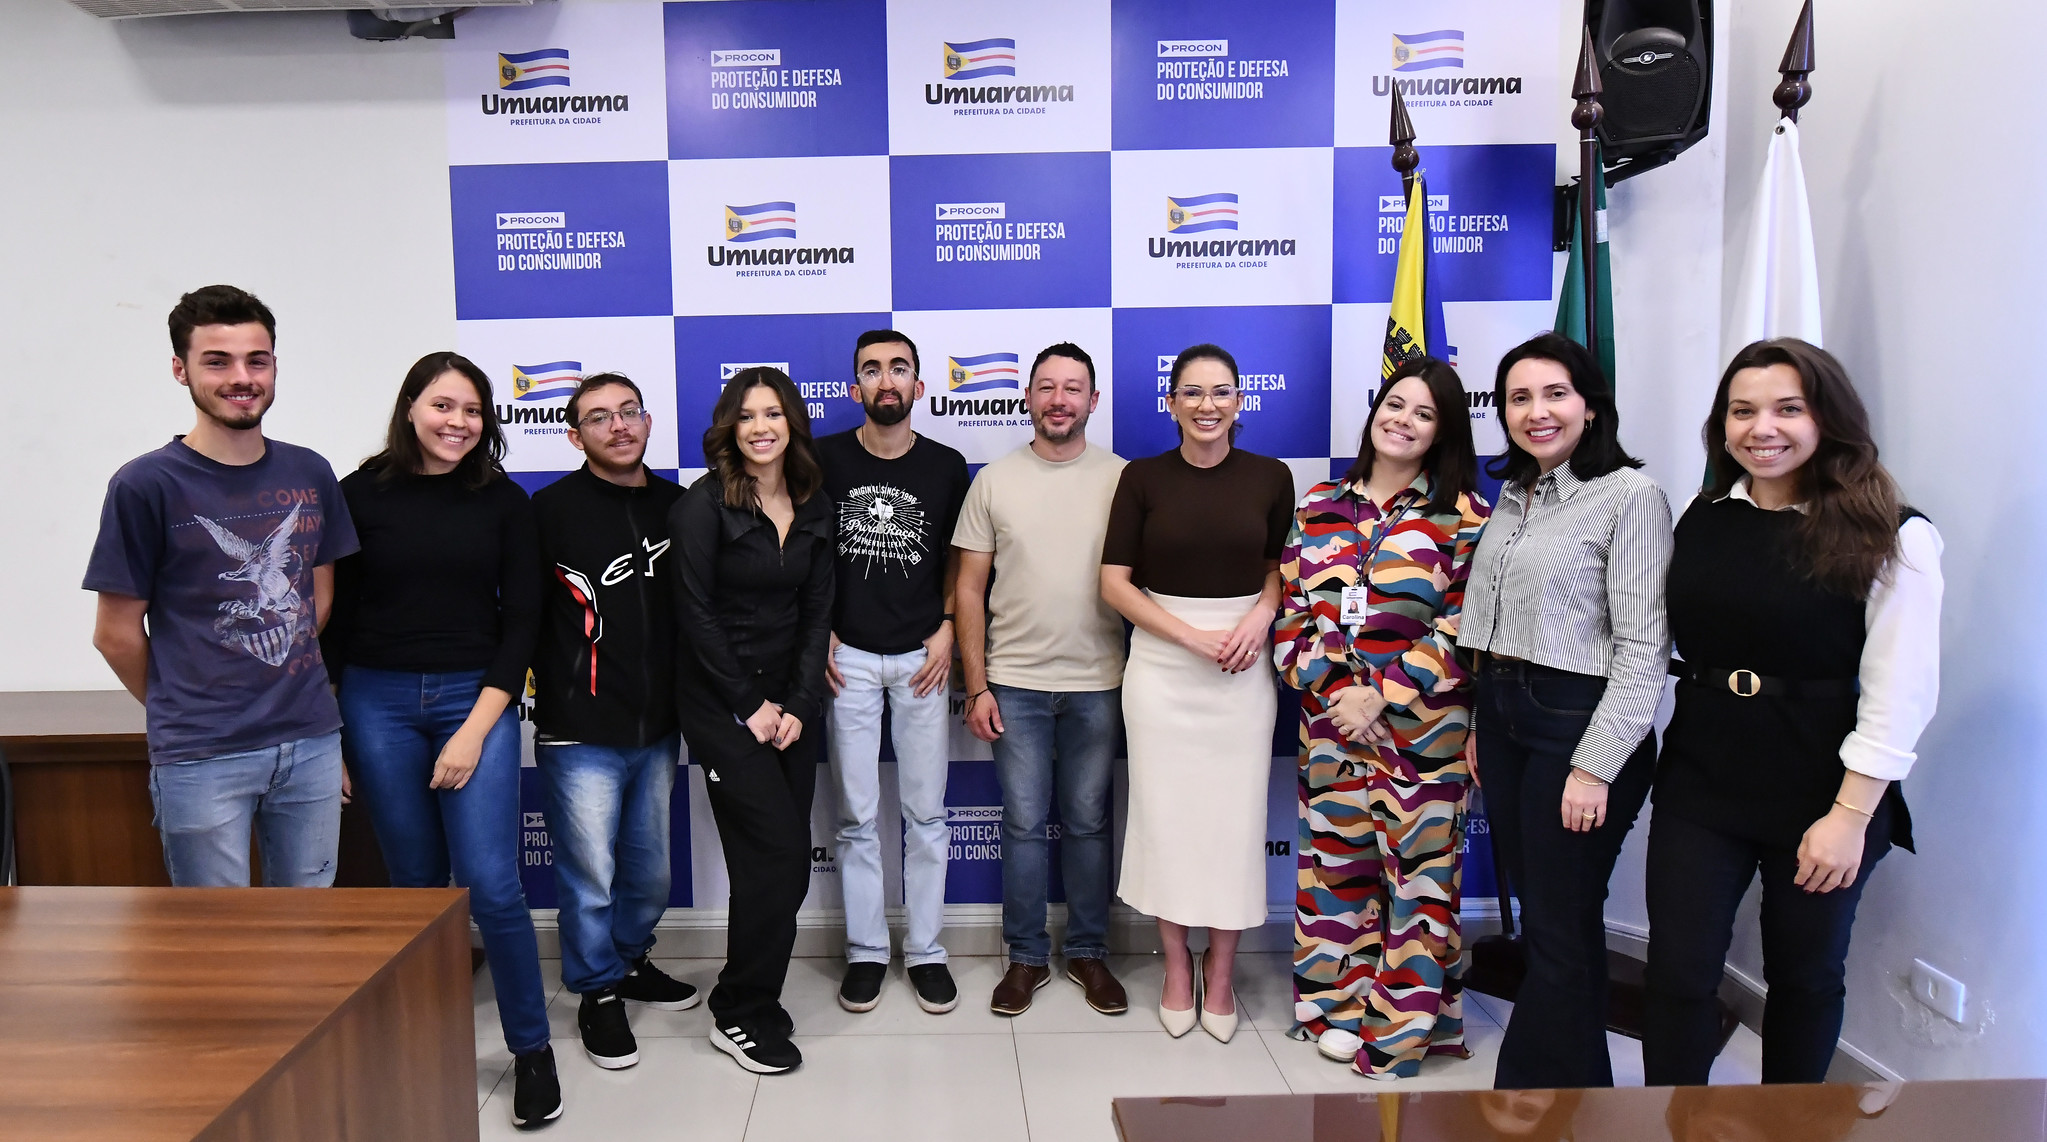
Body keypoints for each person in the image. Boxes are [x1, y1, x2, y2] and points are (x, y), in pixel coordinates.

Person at [1644, 339, 1941, 1086]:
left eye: (1787, 409)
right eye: (1741, 411)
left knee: (1804, 977)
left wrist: (1848, 817)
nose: (1760, 429)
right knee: (1678, 974)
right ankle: (1668, 1125)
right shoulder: (1706, 514)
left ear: (1827, 419)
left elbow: (1898, 693)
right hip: (1702, 779)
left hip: (1823, 791)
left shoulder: (1893, 534)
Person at [323, 352, 556, 1128]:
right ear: (411, 406)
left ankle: (531, 1050)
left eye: (474, 410)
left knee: (491, 886)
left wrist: (475, 730)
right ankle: (426, 1046)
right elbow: (334, 620)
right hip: (375, 701)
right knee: (416, 892)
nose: (458, 423)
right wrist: (336, 735)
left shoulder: (504, 503)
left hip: (474, 698)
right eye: (443, 406)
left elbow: (523, 622)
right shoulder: (357, 495)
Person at [85, 285, 357, 888]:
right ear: (181, 370)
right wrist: (187, 708)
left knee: (309, 933)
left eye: (256, 360)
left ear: (274, 367)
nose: (242, 377)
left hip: (309, 742)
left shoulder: (310, 471)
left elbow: (318, 597)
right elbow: (116, 635)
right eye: (218, 361)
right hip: (202, 756)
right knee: (217, 942)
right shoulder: (144, 486)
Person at [1457, 332, 1672, 1090]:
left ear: (1589, 404)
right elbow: (1492, 629)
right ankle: (1585, 1099)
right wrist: (1485, 723)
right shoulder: (1513, 497)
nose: (1536, 411)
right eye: (1519, 397)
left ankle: (1521, 1101)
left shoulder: (1629, 497)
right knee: (1558, 920)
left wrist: (1593, 766)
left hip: (1577, 723)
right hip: (1507, 712)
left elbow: (1644, 649)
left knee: (1554, 925)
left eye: (1554, 394)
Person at [1275, 356, 1490, 1077]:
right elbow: (1288, 616)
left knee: (1417, 884)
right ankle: (1334, 1006)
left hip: (1421, 737)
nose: (1402, 420)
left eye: (1423, 413)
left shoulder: (1464, 515)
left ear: (1442, 431)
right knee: (1335, 874)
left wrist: (1384, 695)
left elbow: (1465, 626)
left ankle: (1398, 1032)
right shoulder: (1320, 504)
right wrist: (1339, 691)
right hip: (1331, 730)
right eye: (1394, 404)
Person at [1101, 343, 1294, 1043]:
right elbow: (1114, 582)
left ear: (1239, 401)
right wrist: (1188, 637)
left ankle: (1223, 969)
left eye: (1220, 392)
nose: (1206, 405)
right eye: (1192, 392)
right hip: (1161, 666)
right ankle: (1177, 964)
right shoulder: (1141, 478)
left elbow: (1277, 568)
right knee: (1167, 820)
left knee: (1232, 823)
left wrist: (1259, 617)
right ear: (1171, 402)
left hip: (1243, 666)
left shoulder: (1271, 478)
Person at [529, 372, 700, 1073]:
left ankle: (628, 961)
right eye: (599, 417)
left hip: (657, 725)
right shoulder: (548, 510)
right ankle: (596, 989)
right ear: (575, 435)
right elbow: (522, 617)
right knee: (588, 876)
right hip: (579, 728)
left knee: (650, 875)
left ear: (649, 421)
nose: (618, 426)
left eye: (628, 412)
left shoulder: (681, 507)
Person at [954, 342, 1130, 1019]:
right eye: (1047, 386)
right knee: (1024, 824)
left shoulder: (1124, 480)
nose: (1059, 398)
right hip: (1015, 683)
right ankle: (1025, 957)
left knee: (1087, 823)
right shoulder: (994, 480)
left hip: (1100, 681)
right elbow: (968, 590)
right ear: (1027, 398)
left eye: (1073, 387)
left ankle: (1088, 952)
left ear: (1093, 400)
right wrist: (977, 685)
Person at [670, 367, 834, 1075]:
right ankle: (737, 1009)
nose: (761, 426)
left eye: (773, 413)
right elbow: (693, 617)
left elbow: (816, 613)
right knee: (778, 857)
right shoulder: (702, 505)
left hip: (789, 707)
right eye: (747, 416)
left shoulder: (813, 501)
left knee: (773, 864)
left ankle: (753, 994)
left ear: (792, 422)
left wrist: (798, 704)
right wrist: (751, 707)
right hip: (721, 706)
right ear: (729, 428)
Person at [818, 331, 972, 1016]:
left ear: (918, 385)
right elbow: (806, 554)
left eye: (899, 369)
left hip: (920, 655)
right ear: (855, 387)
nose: (887, 380)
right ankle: (866, 952)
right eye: (872, 370)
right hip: (846, 654)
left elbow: (958, 564)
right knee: (855, 815)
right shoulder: (821, 460)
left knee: (926, 812)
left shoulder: (946, 465)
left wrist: (945, 629)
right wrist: (816, 633)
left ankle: (927, 952)